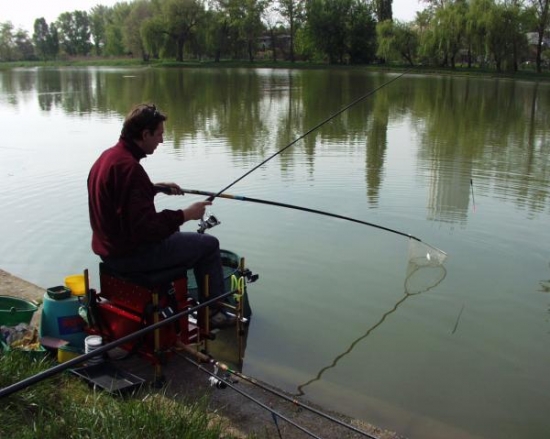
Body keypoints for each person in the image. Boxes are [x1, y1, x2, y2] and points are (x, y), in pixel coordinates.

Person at [87, 103, 235, 328]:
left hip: (111, 252)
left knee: (178, 235)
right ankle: (214, 313)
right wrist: (186, 214)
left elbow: (120, 199)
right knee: (209, 245)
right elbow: (148, 229)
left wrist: (154, 188)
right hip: (132, 255)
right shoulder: (130, 169)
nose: (162, 141)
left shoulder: (107, 158)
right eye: (159, 134)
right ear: (145, 134)